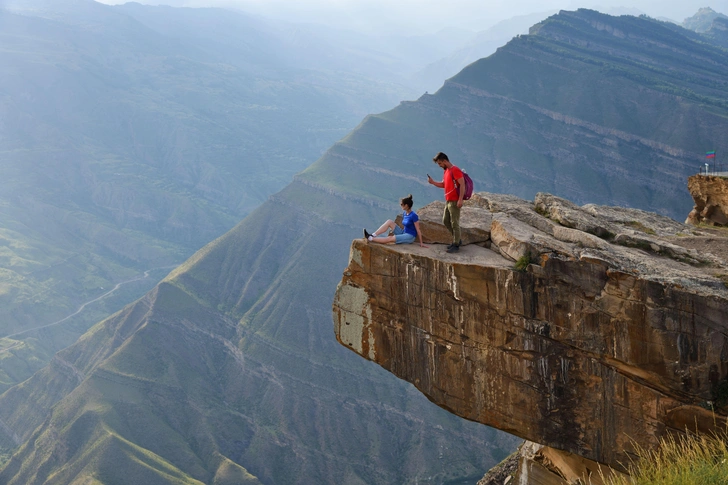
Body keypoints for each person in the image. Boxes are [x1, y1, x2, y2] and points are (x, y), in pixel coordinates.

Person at [427, 152, 464, 253]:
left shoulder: (455, 170)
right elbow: (444, 184)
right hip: (448, 200)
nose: (439, 166)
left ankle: (456, 244)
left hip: (455, 200)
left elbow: (462, 184)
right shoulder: (446, 171)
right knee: (445, 221)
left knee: (454, 222)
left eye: (440, 163)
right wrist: (433, 182)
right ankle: (457, 239)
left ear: (445, 161)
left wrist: (460, 199)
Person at [363, 194, 428, 248]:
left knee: (390, 238)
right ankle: (373, 235)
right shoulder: (405, 213)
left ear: (406, 205)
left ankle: (370, 239)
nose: (401, 205)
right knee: (389, 222)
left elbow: (418, 230)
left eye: (402, 204)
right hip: (404, 233)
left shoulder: (413, 215)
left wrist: (421, 243)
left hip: (410, 236)